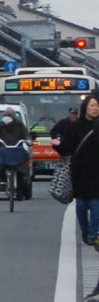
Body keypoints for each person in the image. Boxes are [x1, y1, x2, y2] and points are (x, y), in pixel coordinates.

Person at [52, 94, 99, 247]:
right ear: (85, 107)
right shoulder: (75, 126)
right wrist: (57, 145)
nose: (95, 108)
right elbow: (66, 147)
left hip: (97, 172)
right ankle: (85, 232)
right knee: (81, 206)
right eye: (92, 105)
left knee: (95, 204)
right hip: (79, 171)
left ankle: (93, 234)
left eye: (97, 106)